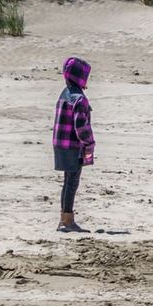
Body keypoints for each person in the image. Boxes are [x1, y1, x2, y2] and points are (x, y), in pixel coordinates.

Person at [51, 56, 96, 232]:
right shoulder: (80, 99)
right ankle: (67, 221)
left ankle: (64, 219)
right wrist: (89, 144)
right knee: (72, 183)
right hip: (73, 146)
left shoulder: (64, 94)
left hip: (60, 144)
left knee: (67, 182)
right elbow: (82, 127)